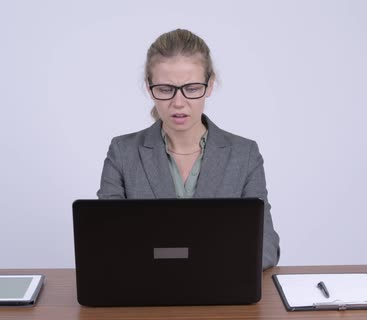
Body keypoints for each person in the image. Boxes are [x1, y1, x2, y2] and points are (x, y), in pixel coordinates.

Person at [97, 28, 280, 269]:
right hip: (146, 297)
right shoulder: (122, 152)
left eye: (192, 88)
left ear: (210, 85)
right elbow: (104, 243)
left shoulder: (244, 155)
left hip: (221, 296)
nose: (178, 103)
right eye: (165, 89)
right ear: (149, 87)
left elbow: (266, 249)